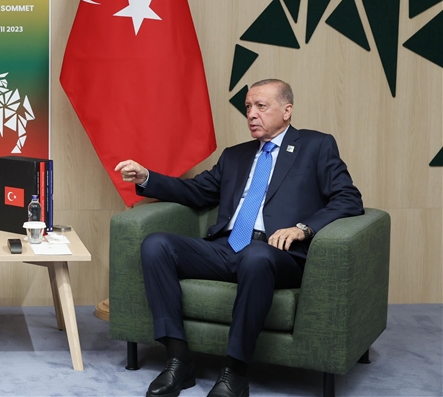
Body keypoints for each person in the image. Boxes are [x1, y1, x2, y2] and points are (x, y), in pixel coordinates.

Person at [114, 79, 363, 397]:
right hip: (226, 248)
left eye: (261, 106)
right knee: (156, 244)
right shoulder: (235, 155)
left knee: (255, 256)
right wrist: (147, 177)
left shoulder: (316, 146)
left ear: (287, 110)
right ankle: (178, 360)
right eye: (248, 107)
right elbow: (196, 191)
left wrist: (303, 228)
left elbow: (348, 198)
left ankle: (234, 371)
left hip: (275, 253)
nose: (252, 114)